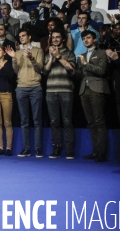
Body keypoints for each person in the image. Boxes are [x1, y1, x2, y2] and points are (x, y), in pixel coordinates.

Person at [8, 30, 44, 158]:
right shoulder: (17, 52)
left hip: (35, 87)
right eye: (20, 36)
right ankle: (26, 149)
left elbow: (40, 69)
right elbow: (16, 71)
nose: (21, 38)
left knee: (37, 120)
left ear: (29, 37)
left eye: (24, 36)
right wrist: (13, 58)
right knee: (24, 121)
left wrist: (31, 58)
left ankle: (38, 149)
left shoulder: (38, 50)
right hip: (21, 87)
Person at [75, 30, 110, 162]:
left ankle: (101, 152)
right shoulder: (82, 55)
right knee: (90, 122)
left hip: (97, 89)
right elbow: (80, 75)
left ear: (94, 39)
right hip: (84, 89)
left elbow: (101, 71)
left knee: (99, 121)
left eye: (88, 38)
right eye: (84, 38)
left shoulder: (101, 53)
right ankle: (95, 150)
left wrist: (85, 64)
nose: (86, 40)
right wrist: (72, 70)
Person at [43, 29, 76, 159]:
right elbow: (44, 72)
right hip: (50, 91)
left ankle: (69, 150)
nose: (55, 39)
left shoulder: (69, 53)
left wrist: (58, 56)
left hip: (66, 91)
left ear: (62, 39)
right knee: (54, 121)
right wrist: (51, 58)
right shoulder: (47, 55)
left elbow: (71, 68)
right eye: (53, 38)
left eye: (58, 37)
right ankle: (56, 148)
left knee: (67, 121)